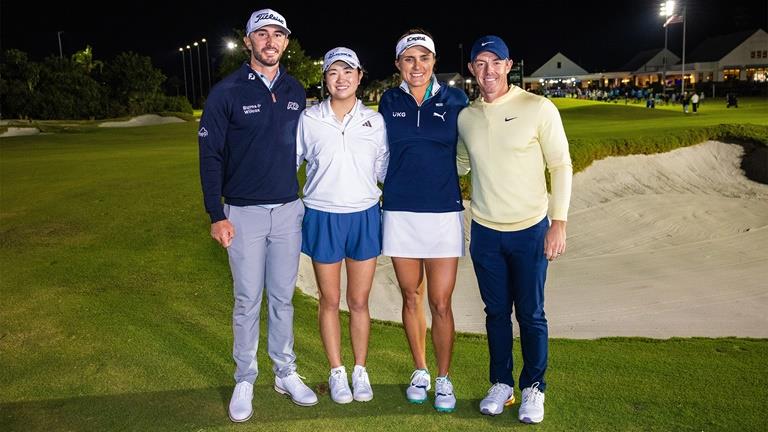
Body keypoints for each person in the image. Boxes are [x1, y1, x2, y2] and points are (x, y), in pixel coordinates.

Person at [198, 8, 317, 423]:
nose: (270, 41)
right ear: (248, 42)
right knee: (248, 299)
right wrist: (217, 213)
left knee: (283, 298)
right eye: (261, 34)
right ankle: (245, 377)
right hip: (243, 213)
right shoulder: (226, 91)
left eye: (277, 35)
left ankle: (285, 372)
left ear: (286, 42)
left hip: (287, 210)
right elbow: (210, 155)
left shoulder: (295, 90)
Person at [456, 35, 573, 424]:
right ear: (472, 69)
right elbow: (457, 166)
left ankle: (534, 388)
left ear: (509, 66)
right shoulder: (467, 117)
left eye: (496, 62)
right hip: (486, 232)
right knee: (494, 314)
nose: (488, 70)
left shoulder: (538, 107)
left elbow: (560, 165)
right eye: (480, 63)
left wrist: (558, 222)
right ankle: (501, 384)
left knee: (531, 314)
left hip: (530, 229)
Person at [378, 29, 469, 413]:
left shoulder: (456, 100)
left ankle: (444, 378)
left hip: (444, 213)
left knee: (441, 302)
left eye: (424, 58)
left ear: (434, 62)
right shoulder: (388, 100)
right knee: (411, 296)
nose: (417, 65)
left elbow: (468, 152)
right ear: (399, 64)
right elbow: (380, 155)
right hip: (399, 212)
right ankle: (420, 370)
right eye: (409, 59)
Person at [296, 47, 389, 404]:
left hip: (364, 215)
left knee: (359, 300)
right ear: (325, 78)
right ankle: (337, 372)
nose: (341, 78)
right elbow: (291, 163)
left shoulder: (375, 122)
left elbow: (383, 169)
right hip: (322, 215)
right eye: (334, 72)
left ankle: (360, 370)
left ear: (359, 76)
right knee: (330, 300)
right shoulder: (309, 119)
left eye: (348, 71)